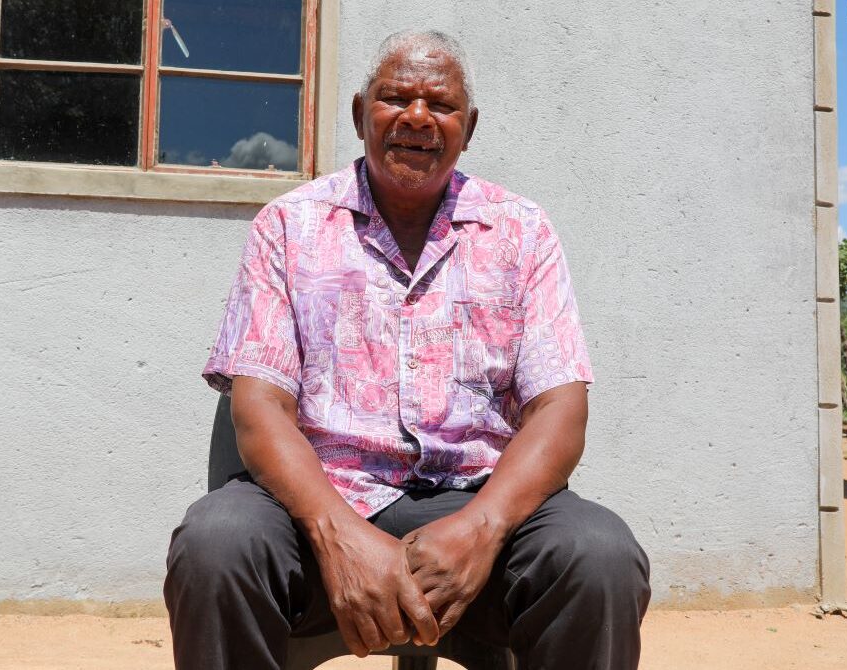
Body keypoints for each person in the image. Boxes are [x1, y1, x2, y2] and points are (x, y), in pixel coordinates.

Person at [165, 30, 651, 670]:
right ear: (361, 111)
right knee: (215, 543)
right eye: (396, 98)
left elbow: (561, 408)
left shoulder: (523, 232)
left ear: (468, 126)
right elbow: (259, 407)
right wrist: (339, 537)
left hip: (477, 504)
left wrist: (481, 530)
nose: (417, 118)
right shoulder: (288, 225)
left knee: (600, 555)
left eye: (441, 105)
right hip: (321, 504)